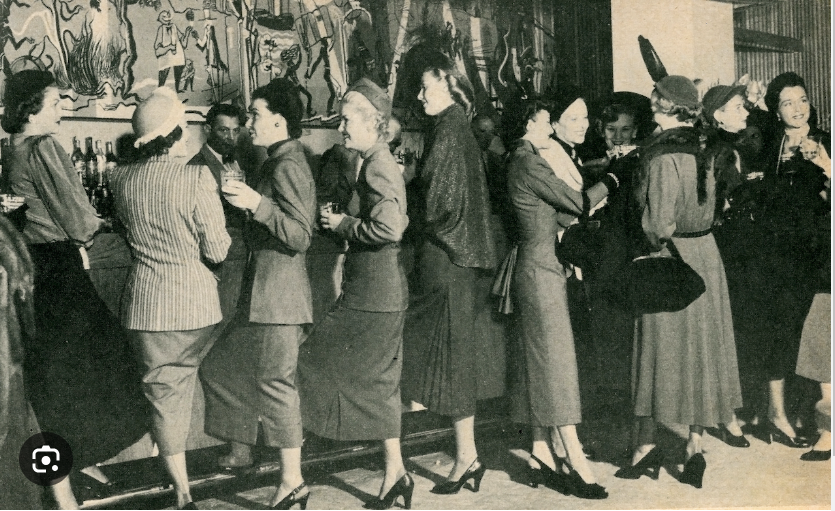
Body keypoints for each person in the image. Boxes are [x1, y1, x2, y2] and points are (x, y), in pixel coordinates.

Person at [2, 70, 150, 509]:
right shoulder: (45, 147)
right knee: (110, 369)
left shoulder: (12, 149)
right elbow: (79, 219)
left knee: (51, 381)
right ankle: (70, 480)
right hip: (60, 270)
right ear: (31, 108)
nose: (63, 108)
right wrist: (105, 224)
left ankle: (68, 473)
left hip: (31, 270)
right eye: (55, 102)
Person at [616, 76, 743, 489]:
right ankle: (694, 446)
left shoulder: (660, 156)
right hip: (705, 255)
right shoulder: (705, 147)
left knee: (654, 349)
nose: (650, 103)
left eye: (654, 99)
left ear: (663, 107)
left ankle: (644, 445)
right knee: (701, 353)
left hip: (669, 261)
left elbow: (657, 226)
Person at [110, 86, 231, 510]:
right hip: (195, 305)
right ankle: (199, 472)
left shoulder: (118, 177)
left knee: (165, 393)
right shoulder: (195, 176)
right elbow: (217, 250)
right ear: (178, 132)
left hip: (145, 307)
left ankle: (181, 489)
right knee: (180, 386)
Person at [199, 77, 315, 510]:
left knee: (276, 385)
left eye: (258, 116)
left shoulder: (289, 163)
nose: (250, 123)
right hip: (261, 294)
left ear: (280, 122)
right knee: (220, 366)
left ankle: (292, 482)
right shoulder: (273, 160)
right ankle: (243, 448)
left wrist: (254, 203)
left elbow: (301, 235)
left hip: (280, 298)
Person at [297, 78, 412, 510]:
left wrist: (343, 224)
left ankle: (297, 460)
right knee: (378, 383)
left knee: (309, 359)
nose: (341, 129)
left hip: (374, 293)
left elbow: (390, 227)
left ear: (373, 123)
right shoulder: (374, 160)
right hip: (378, 290)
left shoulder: (379, 164)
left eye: (346, 121)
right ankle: (395, 472)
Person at [505, 96, 620, 500]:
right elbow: (578, 204)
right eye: (543, 122)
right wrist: (615, 178)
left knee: (539, 360)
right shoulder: (529, 161)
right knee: (558, 365)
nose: (550, 128)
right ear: (527, 125)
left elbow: (558, 214)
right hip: (540, 272)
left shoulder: (523, 158)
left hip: (539, 267)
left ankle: (540, 450)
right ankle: (574, 457)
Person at [400, 53, 498, 494]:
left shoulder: (450, 130)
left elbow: (437, 207)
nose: (420, 97)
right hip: (460, 262)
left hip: (447, 261)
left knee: (448, 362)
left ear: (448, 83)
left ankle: (467, 457)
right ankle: (467, 456)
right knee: (454, 362)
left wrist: (400, 199)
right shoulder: (455, 128)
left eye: (426, 88)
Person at [752, 71, 830, 447]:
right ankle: (776, 415)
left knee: (813, 336)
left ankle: (816, 415)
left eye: (802, 100)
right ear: (775, 110)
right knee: (777, 330)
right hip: (776, 253)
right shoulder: (769, 144)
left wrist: (825, 164)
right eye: (787, 102)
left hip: (818, 252)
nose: (797, 108)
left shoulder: (827, 141)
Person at [701, 83, 769, 449]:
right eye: (739, 107)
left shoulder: (731, 146)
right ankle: (726, 416)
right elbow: (719, 205)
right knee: (728, 331)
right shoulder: (721, 151)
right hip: (731, 250)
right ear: (719, 116)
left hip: (739, 248)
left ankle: (734, 412)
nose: (745, 113)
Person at [187, 103, 253, 352]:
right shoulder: (197, 167)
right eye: (224, 131)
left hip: (237, 260)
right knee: (215, 331)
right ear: (207, 130)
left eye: (236, 131)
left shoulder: (233, 164)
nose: (231, 138)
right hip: (219, 265)